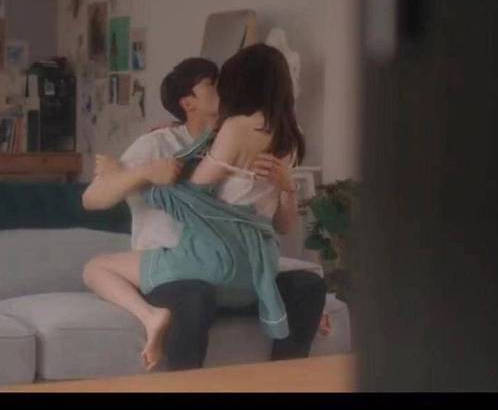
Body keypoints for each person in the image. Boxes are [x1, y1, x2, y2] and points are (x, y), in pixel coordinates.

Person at [81, 48, 326, 371]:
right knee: (194, 293)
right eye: (212, 83)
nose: (223, 85)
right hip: (187, 264)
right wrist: (140, 172)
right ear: (188, 103)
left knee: (308, 284)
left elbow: (276, 224)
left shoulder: (235, 134)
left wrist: (287, 186)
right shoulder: (159, 143)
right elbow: (91, 199)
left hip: (219, 258)